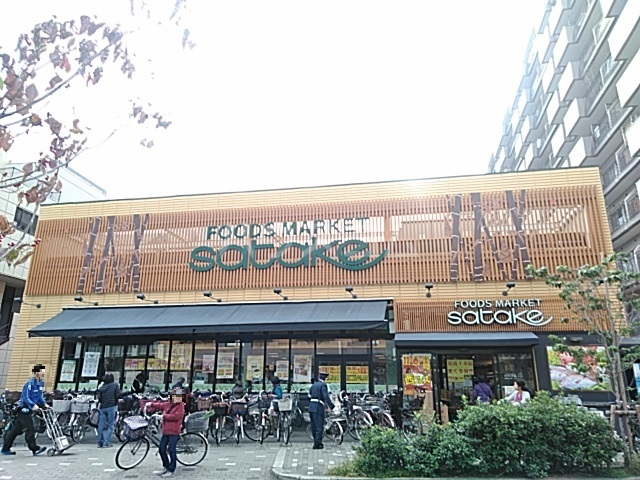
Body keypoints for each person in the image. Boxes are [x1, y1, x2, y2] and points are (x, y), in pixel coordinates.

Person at [1, 364, 49, 456]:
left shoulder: (40, 383)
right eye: (40, 371)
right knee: (30, 428)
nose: (42, 373)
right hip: (23, 409)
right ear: (35, 372)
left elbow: (39, 396)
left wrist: (44, 404)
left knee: (15, 430)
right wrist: (33, 405)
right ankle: (34, 448)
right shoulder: (29, 384)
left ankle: (5, 448)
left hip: (29, 410)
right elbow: (25, 397)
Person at [149, 388, 186, 478]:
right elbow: (160, 405)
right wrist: (151, 404)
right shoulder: (168, 404)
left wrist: (163, 416)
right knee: (161, 449)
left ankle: (171, 469)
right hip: (166, 430)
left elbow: (176, 416)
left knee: (171, 450)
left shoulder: (180, 406)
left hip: (174, 431)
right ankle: (166, 466)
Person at [308, 372, 335, 450]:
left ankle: (315, 441)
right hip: (318, 407)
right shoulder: (323, 385)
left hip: (311, 406)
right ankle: (317, 444)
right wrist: (331, 406)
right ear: (325, 379)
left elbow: (309, 395)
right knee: (319, 426)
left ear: (319, 377)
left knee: (314, 426)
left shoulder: (313, 385)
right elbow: (326, 396)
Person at [96, 373, 122, 448]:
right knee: (110, 425)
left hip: (102, 407)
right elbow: (118, 395)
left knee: (100, 425)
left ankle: (100, 442)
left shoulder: (102, 387)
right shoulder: (115, 385)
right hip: (111, 406)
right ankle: (106, 442)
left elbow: (99, 399)